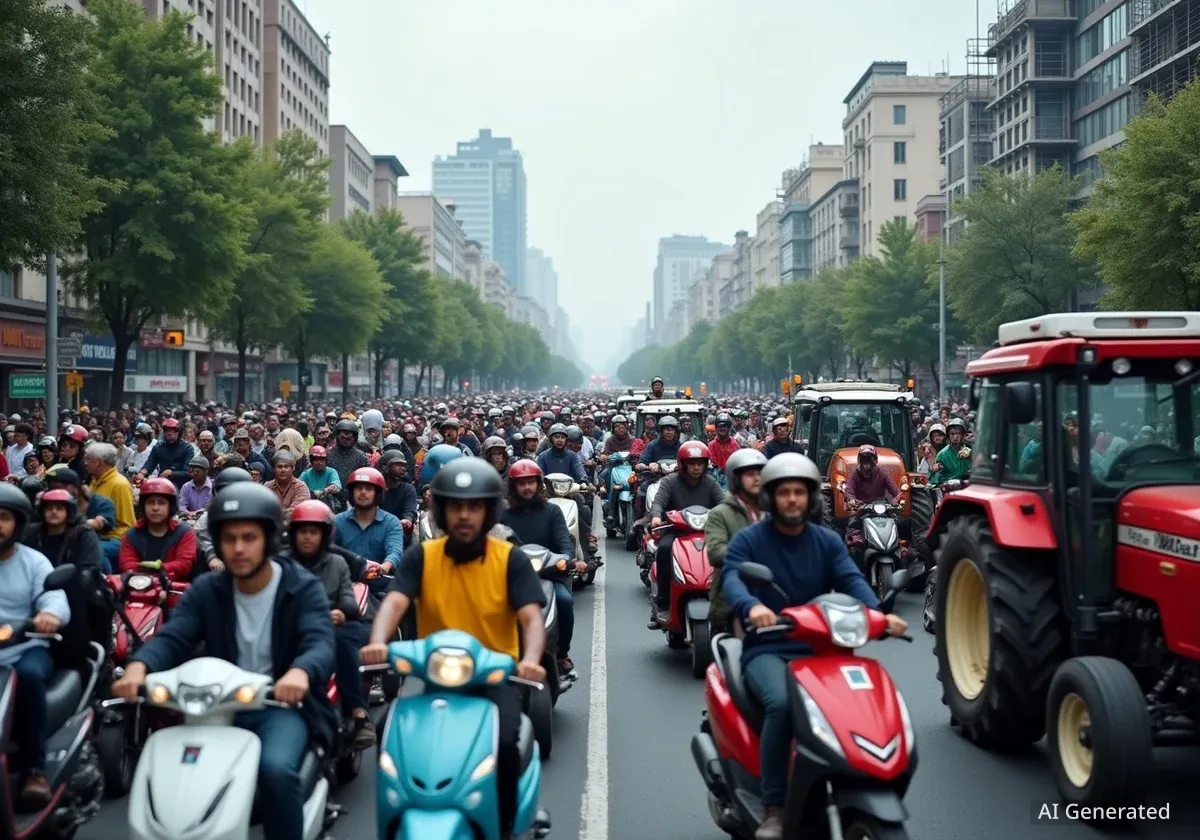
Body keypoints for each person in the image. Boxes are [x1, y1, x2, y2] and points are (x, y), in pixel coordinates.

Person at [111, 483, 337, 840]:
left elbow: (319, 641)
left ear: (269, 538)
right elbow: (175, 636)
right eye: (229, 538)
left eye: (249, 537)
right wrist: (141, 666)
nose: (239, 548)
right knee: (174, 778)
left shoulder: (301, 587)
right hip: (211, 705)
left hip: (278, 707)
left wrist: (299, 671)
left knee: (276, 771)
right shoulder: (208, 589)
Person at [721, 454, 907, 840]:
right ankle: (774, 805)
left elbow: (852, 580)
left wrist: (879, 614)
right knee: (782, 703)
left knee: (860, 701)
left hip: (823, 646)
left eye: (800, 492)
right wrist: (752, 606)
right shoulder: (750, 540)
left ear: (811, 498)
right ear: (772, 498)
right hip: (769, 647)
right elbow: (734, 579)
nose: (792, 500)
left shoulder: (827, 541)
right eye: (784, 492)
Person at [362, 458, 546, 840]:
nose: (464, 515)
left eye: (474, 506)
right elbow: (394, 603)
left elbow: (530, 617)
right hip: (434, 678)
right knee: (386, 729)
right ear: (441, 511)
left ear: (488, 511)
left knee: (506, 743)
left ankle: (506, 824)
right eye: (455, 506)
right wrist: (378, 642)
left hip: (496, 678)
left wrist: (529, 660)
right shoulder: (423, 556)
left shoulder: (508, 558)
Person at [0, 484, 71, 806]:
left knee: (27, 679)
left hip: (25, 648)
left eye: (2, 518)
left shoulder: (34, 561)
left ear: (17, 522)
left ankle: (34, 770)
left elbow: (54, 595)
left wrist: (48, 615)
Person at [284, 500, 375, 749]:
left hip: (331, 626)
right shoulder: (282, 564)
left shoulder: (337, 563)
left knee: (343, 641)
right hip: (291, 627)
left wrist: (340, 612)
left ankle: (358, 714)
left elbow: (348, 599)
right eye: (302, 532)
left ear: (325, 535)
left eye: (314, 532)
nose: (307, 538)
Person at [500, 460, 582, 677]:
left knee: (564, 601)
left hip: (549, 575)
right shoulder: (503, 514)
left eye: (531, 482)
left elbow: (565, 543)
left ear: (538, 484)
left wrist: (565, 559)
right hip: (512, 578)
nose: (527, 488)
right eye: (522, 484)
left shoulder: (552, 511)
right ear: (513, 486)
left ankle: (562, 653)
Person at [647, 441, 726, 626]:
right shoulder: (669, 482)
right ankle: (663, 602)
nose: (697, 467)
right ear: (683, 464)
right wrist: (657, 516)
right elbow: (658, 502)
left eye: (700, 463)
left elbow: (723, 502)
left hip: (708, 532)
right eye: (692, 463)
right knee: (664, 550)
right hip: (676, 531)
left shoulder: (711, 482)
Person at [705, 448, 767, 635]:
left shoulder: (775, 511)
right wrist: (754, 552)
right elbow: (715, 553)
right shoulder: (720, 513)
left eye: (760, 473)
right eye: (750, 474)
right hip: (729, 602)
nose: (757, 478)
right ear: (736, 478)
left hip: (772, 597)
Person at [332, 467, 404, 593]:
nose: (363, 492)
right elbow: (328, 549)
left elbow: (395, 550)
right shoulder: (337, 521)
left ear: (378, 493)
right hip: (343, 584)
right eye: (359, 488)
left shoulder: (391, 522)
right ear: (351, 492)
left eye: (369, 489)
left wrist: (384, 567)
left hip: (378, 586)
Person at [118, 478, 198, 581]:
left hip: (175, 590)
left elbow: (184, 565)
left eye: (161, 503)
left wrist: (158, 569)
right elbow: (126, 564)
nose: (155, 508)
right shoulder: (131, 535)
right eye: (150, 502)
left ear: (171, 506)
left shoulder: (184, 533)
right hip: (138, 588)